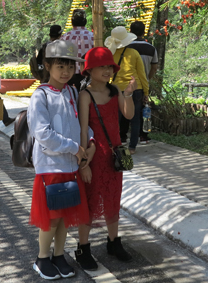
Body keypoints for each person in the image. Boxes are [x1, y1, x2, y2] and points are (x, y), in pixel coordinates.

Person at [27, 40, 89, 280]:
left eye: (70, 67)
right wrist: (74, 147)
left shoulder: (72, 92)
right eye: (60, 66)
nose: (66, 72)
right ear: (47, 66)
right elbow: (42, 134)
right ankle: (42, 258)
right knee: (51, 218)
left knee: (65, 216)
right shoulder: (40, 96)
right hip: (51, 166)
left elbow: (81, 125)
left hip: (71, 165)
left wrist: (88, 142)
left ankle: (59, 255)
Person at [75, 46, 136, 270]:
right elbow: (83, 130)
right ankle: (83, 248)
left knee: (112, 198)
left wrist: (128, 93)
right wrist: (84, 164)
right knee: (90, 202)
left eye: (109, 66)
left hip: (114, 155)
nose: (107, 70)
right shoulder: (85, 95)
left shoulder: (115, 91)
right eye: (102, 66)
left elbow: (128, 115)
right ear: (89, 70)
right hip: (94, 155)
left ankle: (113, 242)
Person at [105, 26, 149, 154]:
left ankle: (116, 144)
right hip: (135, 88)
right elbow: (142, 75)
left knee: (116, 119)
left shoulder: (110, 54)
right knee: (135, 119)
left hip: (116, 89)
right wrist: (146, 92)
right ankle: (132, 147)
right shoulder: (134, 53)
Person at [125, 21, 159, 143]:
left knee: (124, 109)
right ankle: (142, 135)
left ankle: (122, 135)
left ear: (130, 31)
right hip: (142, 84)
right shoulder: (151, 48)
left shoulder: (126, 47)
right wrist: (147, 79)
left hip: (126, 83)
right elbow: (154, 67)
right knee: (140, 111)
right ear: (144, 31)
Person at [61, 9, 93, 89]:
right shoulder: (92, 37)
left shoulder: (65, 37)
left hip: (69, 75)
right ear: (85, 21)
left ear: (72, 21)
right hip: (88, 74)